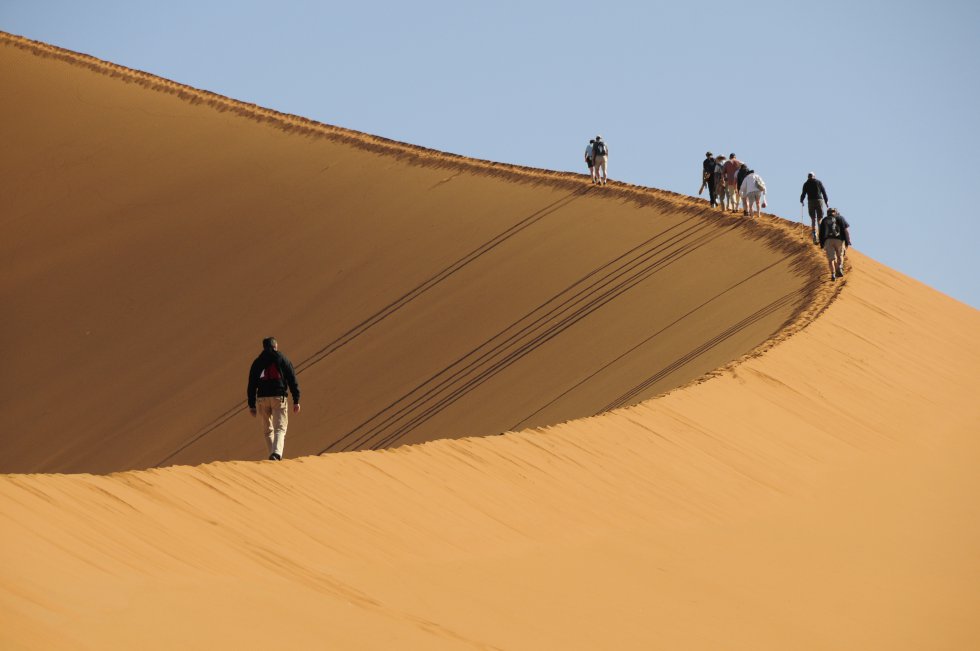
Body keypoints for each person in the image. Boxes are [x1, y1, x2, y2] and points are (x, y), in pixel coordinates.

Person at [247, 337, 301, 461]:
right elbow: (292, 380)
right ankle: (276, 454)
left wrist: (252, 405)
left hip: (262, 399)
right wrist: (296, 400)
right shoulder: (282, 359)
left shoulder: (257, 362)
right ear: (275, 346)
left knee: (267, 430)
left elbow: (251, 384)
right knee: (280, 428)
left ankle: (273, 454)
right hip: (278, 397)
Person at [818, 207, 852, 281]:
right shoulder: (840, 218)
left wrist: (822, 243)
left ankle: (833, 274)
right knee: (840, 255)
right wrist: (848, 241)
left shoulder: (824, 220)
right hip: (839, 240)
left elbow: (821, 233)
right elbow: (846, 230)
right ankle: (839, 267)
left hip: (828, 241)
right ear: (836, 212)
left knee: (831, 259)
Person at [800, 172, 829, 245]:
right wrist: (826, 201)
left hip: (810, 201)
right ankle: (821, 236)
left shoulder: (806, 184)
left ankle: (814, 236)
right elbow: (824, 192)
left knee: (813, 219)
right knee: (819, 219)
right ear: (814, 176)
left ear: (808, 177)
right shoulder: (818, 182)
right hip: (819, 201)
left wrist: (801, 200)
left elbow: (803, 193)